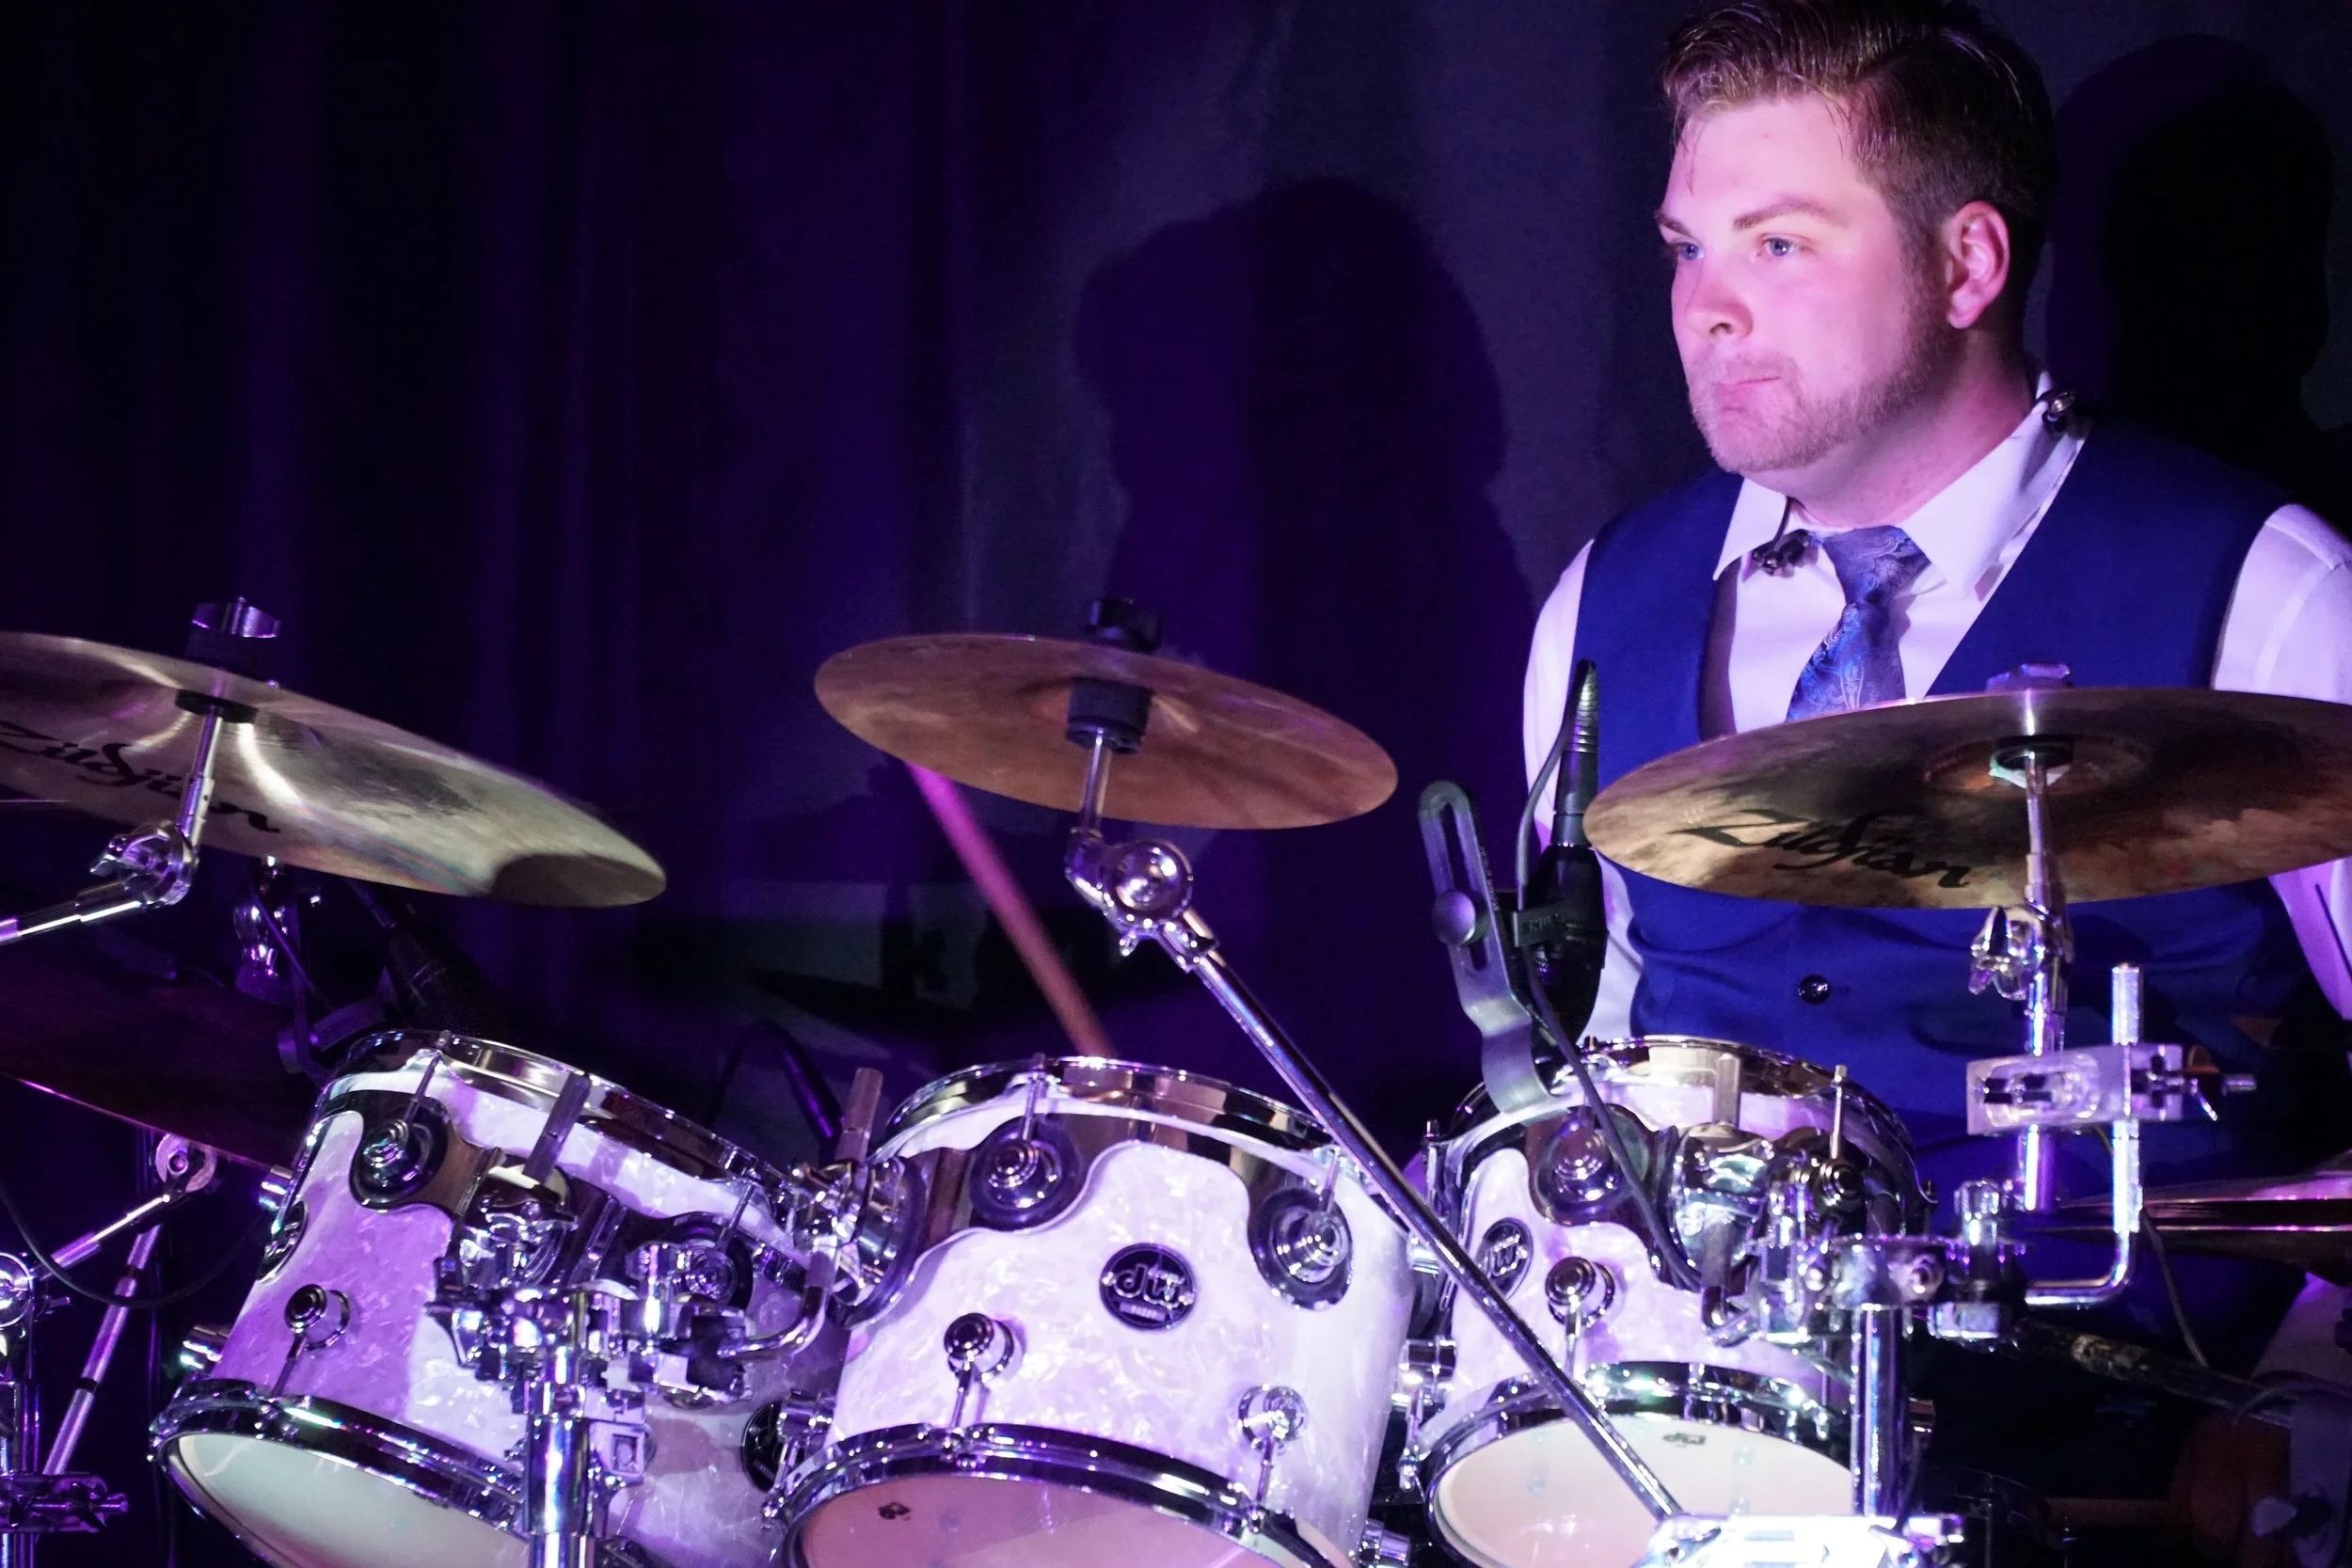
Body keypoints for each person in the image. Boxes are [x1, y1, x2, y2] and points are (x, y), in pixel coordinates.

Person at [1521, 2, 2352, 1560]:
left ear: (1966, 264)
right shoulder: (1602, 602)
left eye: (1778, 245)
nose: (1706, 307)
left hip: (2128, 1451)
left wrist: (2306, 1392)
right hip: (1698, 1454)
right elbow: (1609, 1039)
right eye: (1687, 247)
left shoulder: (2267, 591)